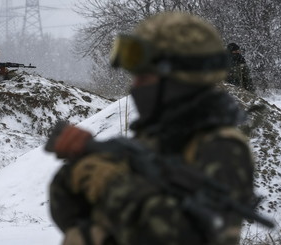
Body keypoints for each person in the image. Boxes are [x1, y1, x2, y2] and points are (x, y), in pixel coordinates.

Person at [48, 12, 255, 245]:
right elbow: (72, 214)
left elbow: (180, 235)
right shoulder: (155, 136)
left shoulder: (221, 146)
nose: (135, 85)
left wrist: (109, 184)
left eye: (145, 76)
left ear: (179, 77)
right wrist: (77, 171)